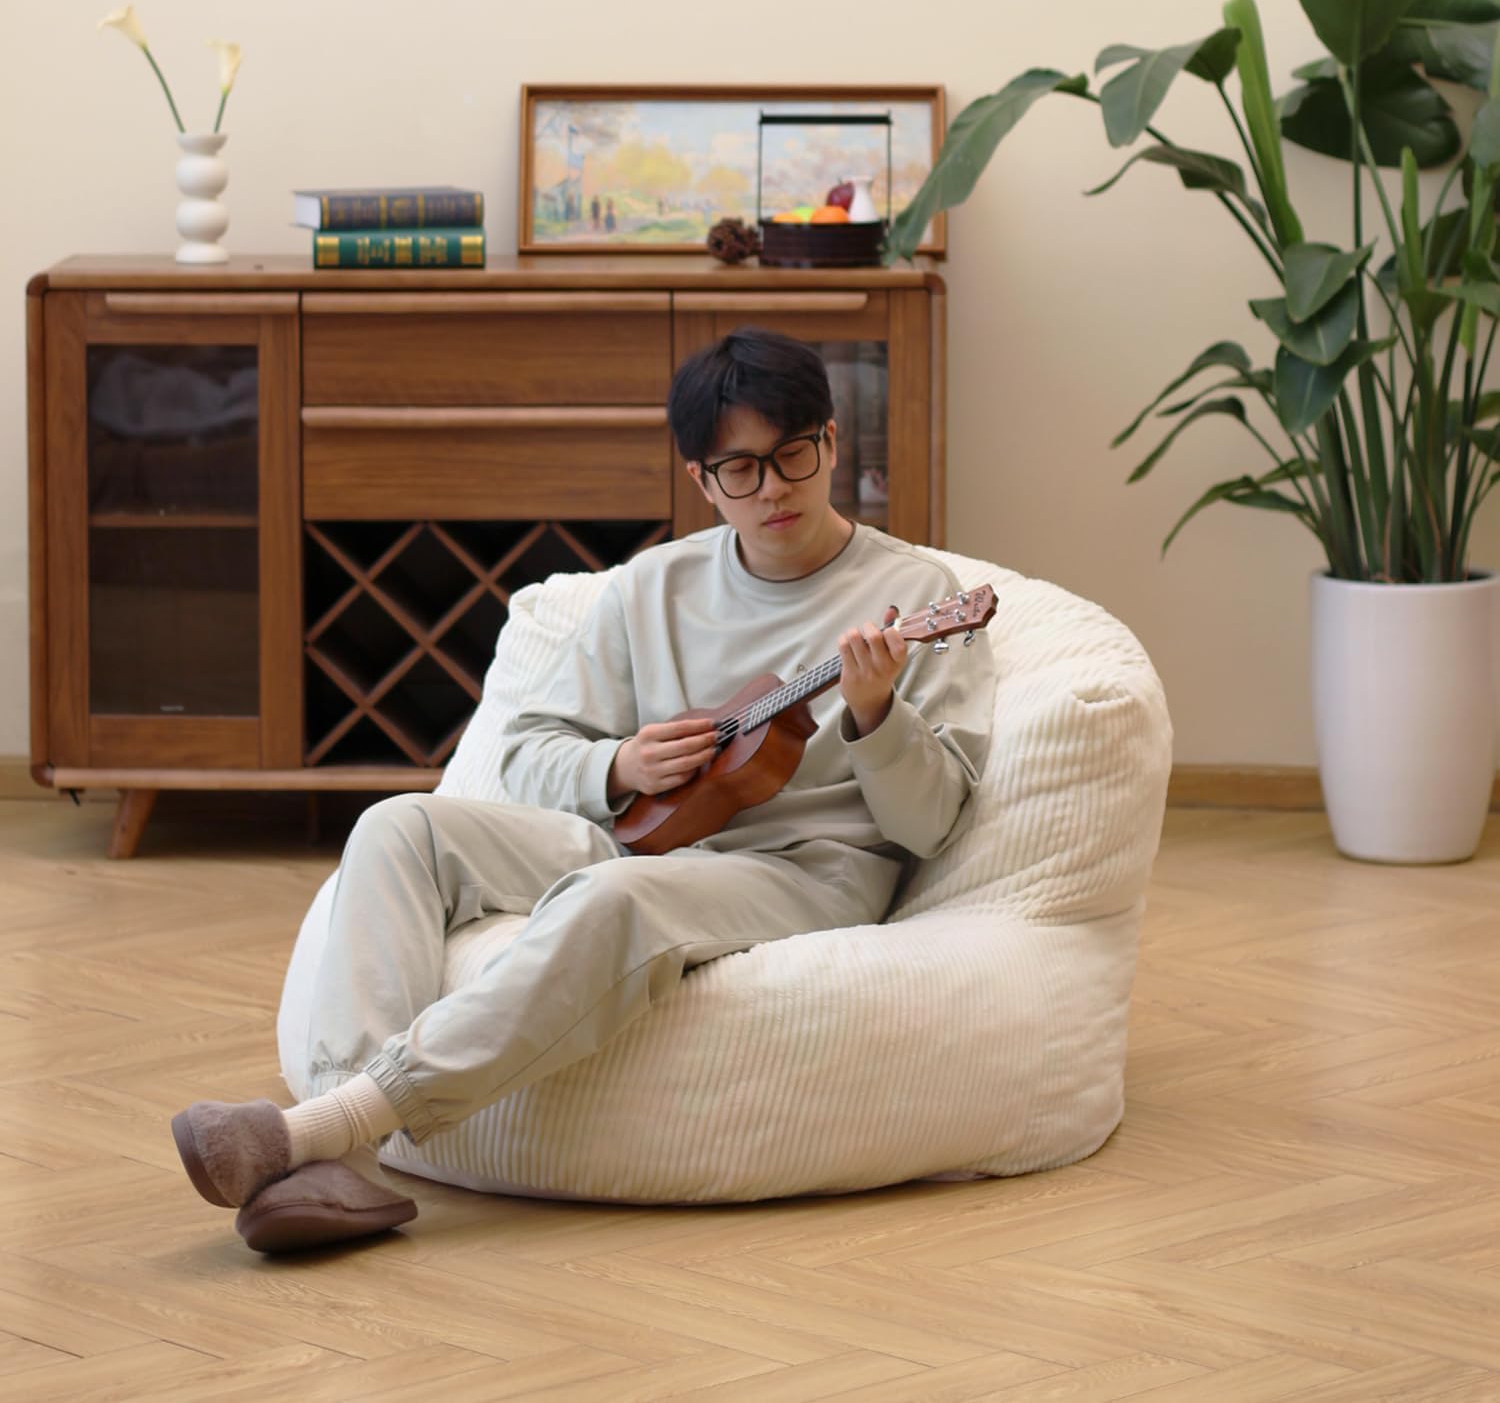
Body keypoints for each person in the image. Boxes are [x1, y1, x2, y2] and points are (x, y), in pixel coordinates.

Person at [171, 327, 995, 1253]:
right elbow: (527, 750)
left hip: (805, 872)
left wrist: (879, 715)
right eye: (739, 469)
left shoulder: (914, 596)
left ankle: (315, 1132)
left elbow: (932, 823)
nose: (772, 489)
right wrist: (619, 768)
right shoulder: (653, 586)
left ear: (833, 442)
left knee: (612, 897)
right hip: (647, 834)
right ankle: (343, 1163)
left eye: (793, 455)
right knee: (401, 825)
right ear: (701, 479)